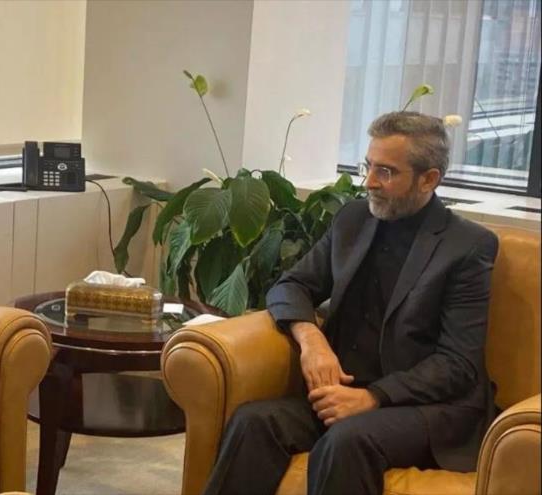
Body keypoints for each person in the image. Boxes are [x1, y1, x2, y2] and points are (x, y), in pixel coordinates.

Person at [203, 112, 500, 495]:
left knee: (346, 440)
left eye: (387, 172)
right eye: (368, 166)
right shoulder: (354, 219)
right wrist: (312, 341)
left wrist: (373, 397)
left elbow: (457, 364)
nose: (369, 182)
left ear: (429, 180)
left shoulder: (467, 246)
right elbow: (291, 285)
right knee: (253, 422)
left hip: (427, 407)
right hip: (345, 389)